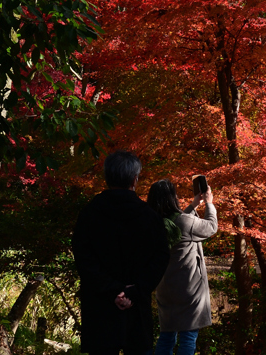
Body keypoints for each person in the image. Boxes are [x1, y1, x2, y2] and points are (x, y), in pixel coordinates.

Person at [73, 151, 171, 355]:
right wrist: (134, 291)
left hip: (100, 306)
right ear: (135, 179)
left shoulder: (90, 214)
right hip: (136, 306)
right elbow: (160, 257)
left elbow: (83, 258)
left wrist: (113, 290)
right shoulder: (149, 217)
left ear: (107, 178)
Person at [147, 179, 218, 355]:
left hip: (165, 289)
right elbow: (211, 227)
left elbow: (181, 222)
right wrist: (209, 203)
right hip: (189, 290)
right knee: (188, 337)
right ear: (172, 198)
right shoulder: (184, 222)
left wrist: (194, 204)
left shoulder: (153, 224)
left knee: (166, 336)